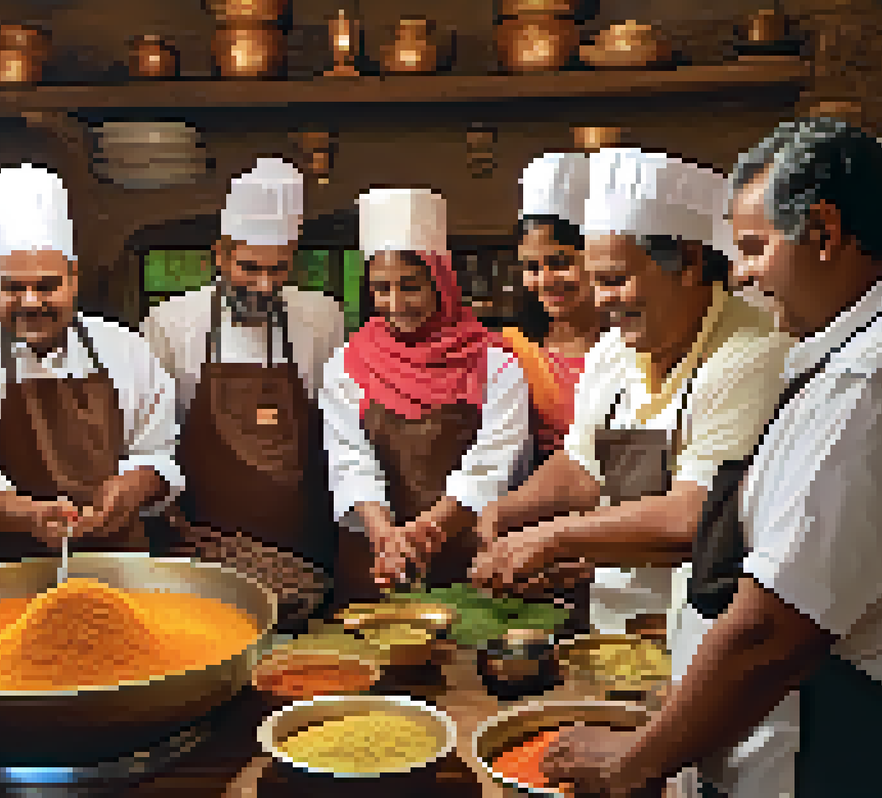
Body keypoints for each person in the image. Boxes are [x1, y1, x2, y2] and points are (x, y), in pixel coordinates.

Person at [542, 119, 882, 798]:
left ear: (824, 231)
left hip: (846, 744)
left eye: (756, 248)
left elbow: (767, 632)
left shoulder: (871, 383)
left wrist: (634, 761)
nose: (745, 274)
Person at [469, 148, 793, 652]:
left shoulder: (752, 354)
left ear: (688, 263)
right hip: (615, 631)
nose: (601, 300)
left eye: (615, 280)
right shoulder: (613, 353)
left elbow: (695, 514)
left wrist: (552, 538)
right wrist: (506, 510)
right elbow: (581, 468)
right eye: (596, 281)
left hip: (708, 633)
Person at [0, 163, 182, 571]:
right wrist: (28, 515)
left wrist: (130, 488)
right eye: (13, 287)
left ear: (73, 278)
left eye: (46, 286)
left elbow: (159, 452)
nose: (30, 302)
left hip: (114, 570)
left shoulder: (126, 350)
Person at [140, 157, 345, 626]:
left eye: (278, 269)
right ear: (221, 255)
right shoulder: (170, 324)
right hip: (206, 553)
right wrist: (168, 521)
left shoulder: (323, 319)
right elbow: (151, 438)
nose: (263, 285)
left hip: (305, 553)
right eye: (249, 268)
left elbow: (339, 431)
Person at [320, 188, 530, 604]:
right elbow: (349, 460)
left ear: (441, 282)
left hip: (472, 558)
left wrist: (423, 533)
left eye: (410, 286)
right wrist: (386, 536)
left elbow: (493, 463)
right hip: (378, 561)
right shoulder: (347, 363)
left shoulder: (494, 362)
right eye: (382, 289)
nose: (396, 303)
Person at [504, 151, 605, 471]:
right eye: (532, 267)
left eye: (560, 262)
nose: (546, 281)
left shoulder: (635, 342)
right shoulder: (511, 348)